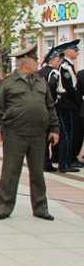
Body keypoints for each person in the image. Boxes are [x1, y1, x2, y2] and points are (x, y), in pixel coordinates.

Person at [0, 44, 59, 221]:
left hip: (38, 134)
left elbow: (50, 107)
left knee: (38, 173)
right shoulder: (8, 83)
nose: (38, 63)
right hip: (15, 133)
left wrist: (55, 129)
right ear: (25, 63)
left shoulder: (41, 81)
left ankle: (40, 208)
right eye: (35, 60)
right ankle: (4, 207)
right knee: (10, 172)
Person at [54, 40, 81, 173]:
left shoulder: (68, 65)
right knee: (66, 135)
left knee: (69, 134)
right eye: (75, 50)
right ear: (68, 51)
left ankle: (68, 161)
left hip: (69, 104)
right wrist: (78, 102)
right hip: (66, 105)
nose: (77, 52)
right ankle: (64, 163)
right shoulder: (65, 67)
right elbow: (70, 89)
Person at [39, 47, 63, 173]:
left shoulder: (39, 72)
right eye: (58, 61)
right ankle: (47, 163)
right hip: (50, 107)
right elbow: (54, 89)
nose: (59, 63)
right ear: (53, 60)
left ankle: (43, 162)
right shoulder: (53, 73)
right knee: (50, 136)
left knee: (42, 137)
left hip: (39, 108)